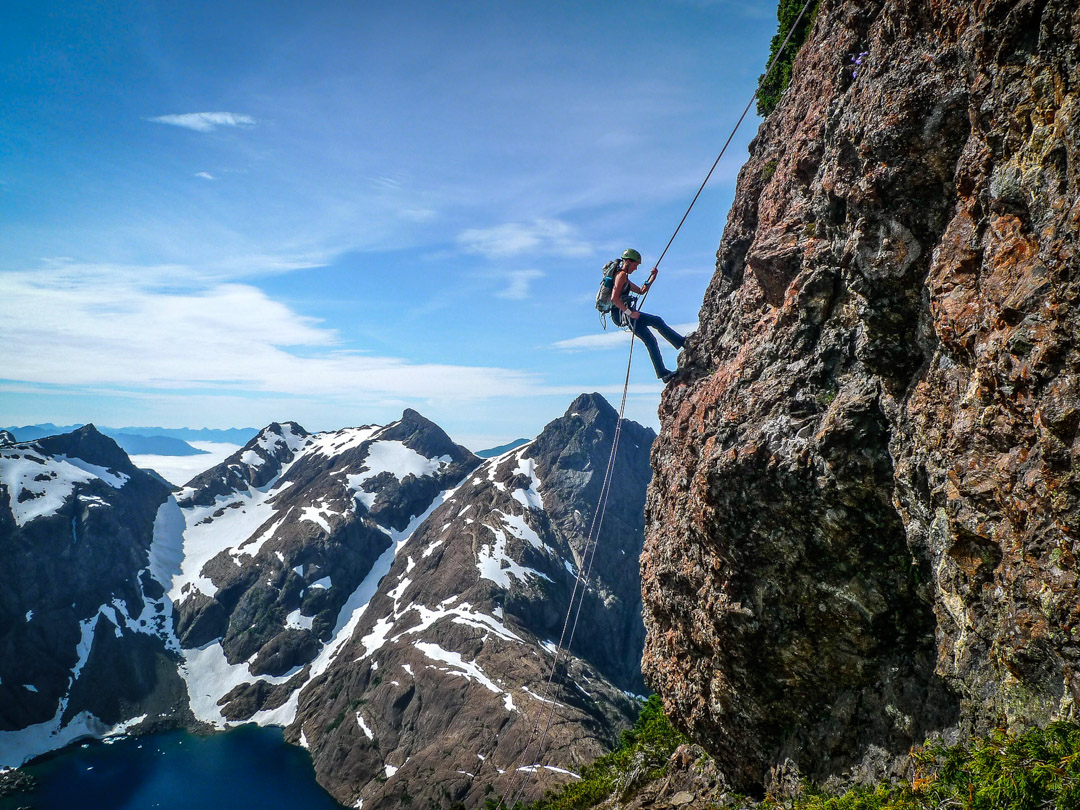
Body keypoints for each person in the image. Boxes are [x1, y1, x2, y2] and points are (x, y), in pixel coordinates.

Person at [608, 248, 685, 383]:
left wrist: (652, 277)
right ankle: (681, 343)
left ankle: (664, 372)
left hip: (625, 315)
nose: (636, 268)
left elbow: (641, 290)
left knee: (651, 338)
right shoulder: (621, 276)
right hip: (625, 315)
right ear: (628, 262)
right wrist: (630, 313)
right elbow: (614, 298)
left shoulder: (623, 277)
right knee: (656, 323)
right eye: (635, 265)